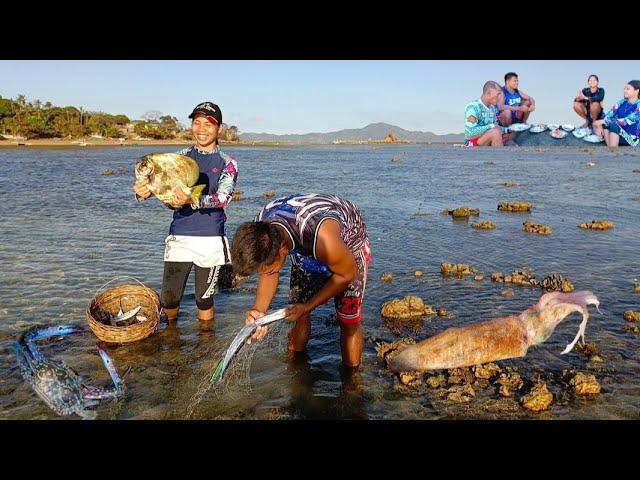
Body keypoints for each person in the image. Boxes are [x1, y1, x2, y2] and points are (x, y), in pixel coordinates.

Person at [230, 193, 371, 368]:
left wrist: (308, 305)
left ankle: (352, 382)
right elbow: (267, 271)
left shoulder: (321, 235)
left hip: (348, 247)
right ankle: (295, 370)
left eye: (270, 268)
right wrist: (259, 310)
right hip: (303, 246)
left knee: (348, 321)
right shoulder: (260, 231)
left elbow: (347, 274)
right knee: (297, 315)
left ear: (282, 249)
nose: (265, 273)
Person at [133, 101, 239, 326]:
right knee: (169, 299)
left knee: (203, 299)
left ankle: (206, 345)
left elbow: (223, 198)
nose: (201, 128)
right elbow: (161, 186)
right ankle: (171, 341)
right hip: (180, 234)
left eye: (208, 124)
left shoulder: (227, 163)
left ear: (219, 128)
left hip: (210, 239)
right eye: (197, 122)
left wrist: (194, 199)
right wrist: (144, 192)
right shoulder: (177, 158)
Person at [592, 80, 640, 147]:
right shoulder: (621, 102)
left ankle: (613, 150)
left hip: (632, 138)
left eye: (628, 89)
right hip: (618, 133)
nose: (625, 91)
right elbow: (609, 114)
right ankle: (611, 149)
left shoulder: (639, 105)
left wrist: (604, 121)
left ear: (637, 91)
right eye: (624, 89)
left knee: (613, 124)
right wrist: (601, 124)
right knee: (606, 124)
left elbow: (627, 121)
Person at [464, 81, 508, 147]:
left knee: (508, 137)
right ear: (488, 93)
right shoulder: (473, 107)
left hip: (485, 138)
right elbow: (470, 133)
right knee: (495, 133)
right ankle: (499, 157)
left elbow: (495, 126)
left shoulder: (492, 108)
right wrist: (490, 126)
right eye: (498, 94)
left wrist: (508, 130)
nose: (499, 98)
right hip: (472, 143)